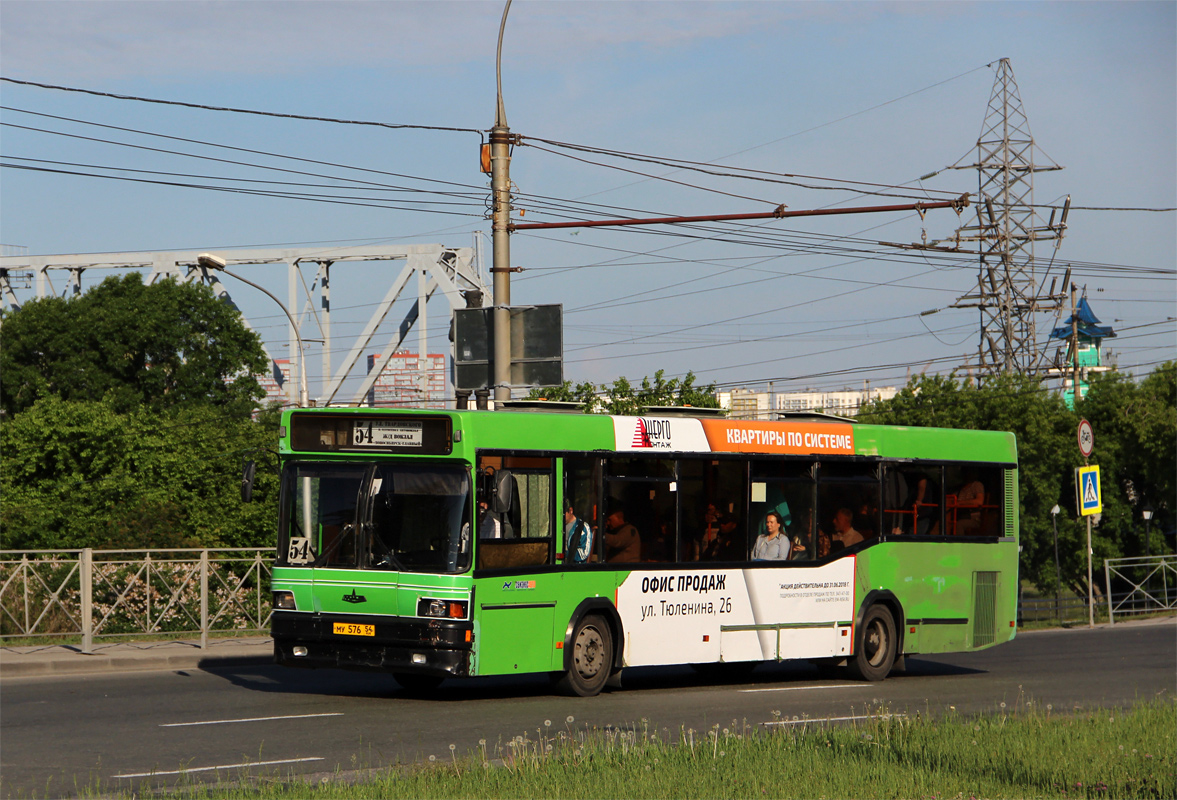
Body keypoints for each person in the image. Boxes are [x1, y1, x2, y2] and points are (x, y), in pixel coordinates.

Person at [563, 499, 593, 564]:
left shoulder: (582, 527)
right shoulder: (557, 526)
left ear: (570, 510)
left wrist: (564, 553)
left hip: (575, 568)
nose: (560, 516)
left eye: (563, 513)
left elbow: (583, 553)